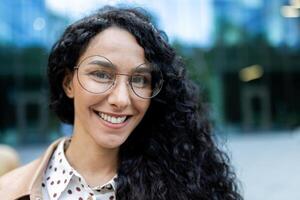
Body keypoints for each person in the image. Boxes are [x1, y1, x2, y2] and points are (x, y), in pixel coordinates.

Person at [0, 6, 242, 200]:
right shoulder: (8, 191)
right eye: (101, 74)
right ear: (68, 83)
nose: (121, 100)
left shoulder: (185, 185)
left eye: (139, 79)